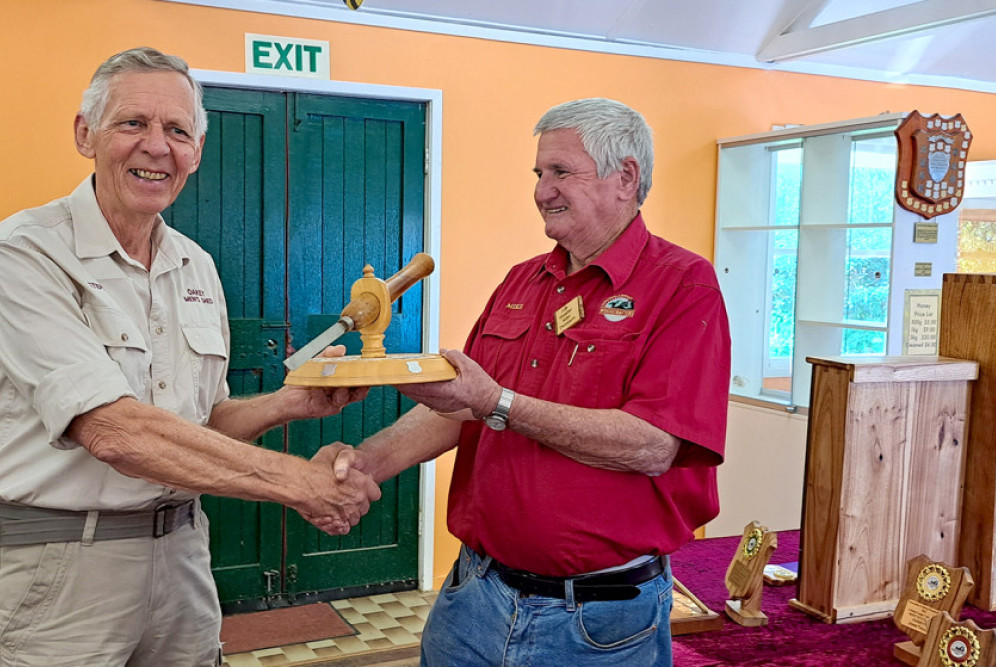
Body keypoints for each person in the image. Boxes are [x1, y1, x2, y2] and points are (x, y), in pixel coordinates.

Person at [0, 47, 381, 667]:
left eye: (178, 130)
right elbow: (116, 431)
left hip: (182, 554)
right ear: (84, 133)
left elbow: (195, 424)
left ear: (197, 152)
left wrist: (286, 404)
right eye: (132, 124)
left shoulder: (195, 264)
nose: (157, 147)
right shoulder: (24, 255)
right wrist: (296, 483)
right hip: (62, 565)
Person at [332, 98, 731, 665]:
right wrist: (362, 467)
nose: (542, 189)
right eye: (539, 174)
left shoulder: (684, 285)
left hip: (599, 621)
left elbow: (652, 445)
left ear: (626, 177)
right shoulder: (523, 280)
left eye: (561, 172)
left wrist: (499, 402)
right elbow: (463, 407)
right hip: (474, 595)